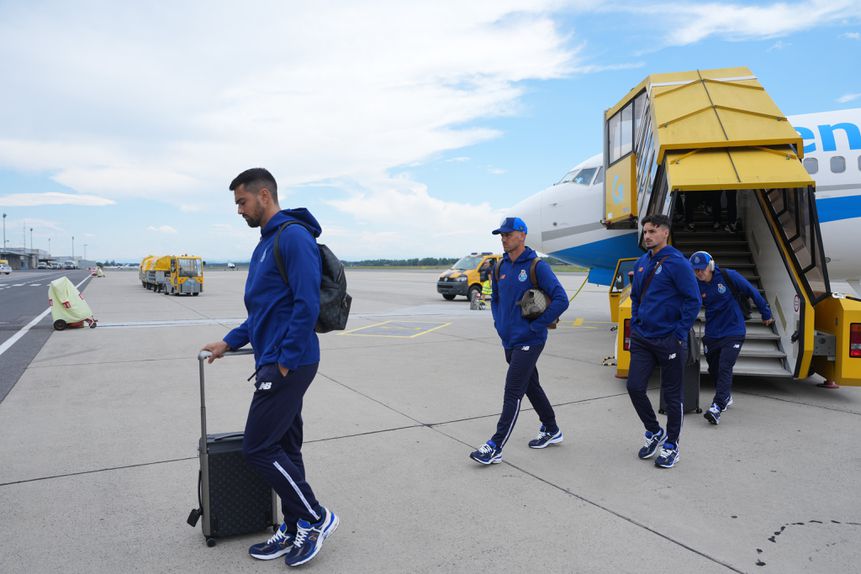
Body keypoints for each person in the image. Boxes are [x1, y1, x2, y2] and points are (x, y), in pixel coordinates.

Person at [201, 168, 338, 567]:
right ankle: (294, 527)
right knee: (286, 447)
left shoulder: (293, 236)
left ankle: (315, 517)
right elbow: (262, 311)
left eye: (242, 202)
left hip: (287, 363)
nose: (239, 210)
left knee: (258, 448)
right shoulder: (266, 243)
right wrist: (230, 341)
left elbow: (306, 303)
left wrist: (284, 362)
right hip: (275, 359)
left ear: (264, 195)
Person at [469, 217, 569, 465]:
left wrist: (537, 325)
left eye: (508, 234)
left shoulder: (537, 266)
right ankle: (551, 428)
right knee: (530, 385)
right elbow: (495, 299)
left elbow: (561, 299)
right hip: (509, 339)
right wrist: (498, 323)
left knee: (513, 390)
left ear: (522, 235)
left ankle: (495, 445)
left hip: (530, 340)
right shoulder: (500, 266)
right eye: (501, 235)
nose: (503, 238)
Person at [627, 214, 700, 469]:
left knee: (672, 396)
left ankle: (672, 444)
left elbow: (694, 300)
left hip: (669, 340)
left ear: (665, 233)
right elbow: (636, 297)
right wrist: (636, 322)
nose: (647, 236)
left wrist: (679, 334)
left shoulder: (678, 263)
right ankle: (653, 430)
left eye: (653, 231)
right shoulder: (640, 263)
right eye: (645, 231)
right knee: (635, 387)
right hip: (643, 338)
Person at [689, 251, 773, 424]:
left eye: (702, 269)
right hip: (712, 333)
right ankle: (725, 395)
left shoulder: (728, 276)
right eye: (695, 270)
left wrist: (766, 313)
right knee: (714, 369)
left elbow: (752, 292)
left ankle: (717, 407)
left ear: (710, 266)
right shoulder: (697, 285)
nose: (699, 273)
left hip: (734, 330)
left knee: (725, 366)